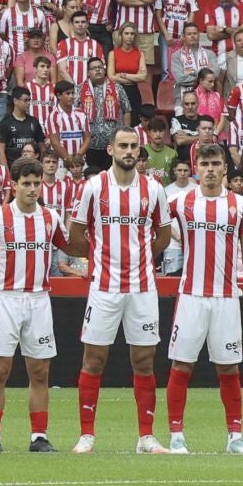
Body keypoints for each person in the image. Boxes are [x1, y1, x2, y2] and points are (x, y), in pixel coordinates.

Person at [69, 127, 173, 453]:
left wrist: (140, 258)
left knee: (144, 360)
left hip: (142, 288)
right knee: (94, 359)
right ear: (111, 149)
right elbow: (76, 235)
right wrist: (101, 258)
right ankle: (87, 435)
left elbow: (164, 236)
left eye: (134, 146)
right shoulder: (94, 186)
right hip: (103, 287)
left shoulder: (154, 189)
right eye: (123, 146)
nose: (129, 151)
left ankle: (146, 436)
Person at [162, 143, 243, 455]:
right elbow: (160, 230)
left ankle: (235, 437)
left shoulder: (239, 205)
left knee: (229, 368)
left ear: (224, 168)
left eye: (215, 163)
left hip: (226, 297)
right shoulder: (180, 202)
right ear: (197, 167)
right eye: (204, 164)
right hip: (191, 296)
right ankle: (176, 435)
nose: (209, 169)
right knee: (182, 365)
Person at [0, 155, 74, 453]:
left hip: (40, 300)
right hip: (6, 298)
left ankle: (38, 437)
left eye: (36, 183)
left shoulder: (50, 218)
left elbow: (70, 246)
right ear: (13, 185)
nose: (32, 189)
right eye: (26, 183)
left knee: (40, 372)